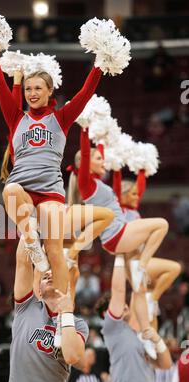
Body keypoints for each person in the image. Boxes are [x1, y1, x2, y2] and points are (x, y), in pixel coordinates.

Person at [0, 44, 103, 294]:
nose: (32, 93)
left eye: (38, 88)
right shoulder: (16, 118)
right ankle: (31, 244)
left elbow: (85, 92)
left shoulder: (61, 118)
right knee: (10, 190)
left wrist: (100, 63)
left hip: (50, 191)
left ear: (50, 91)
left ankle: (61, 309)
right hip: (23, 188)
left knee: (55, 250)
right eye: (28, 88)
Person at [76, 128, 169, 336]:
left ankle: (145, 331)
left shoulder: (100, 183)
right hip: (118, 234)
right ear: (86, 163)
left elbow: (112, 173)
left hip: (117, 236)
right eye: (98, 158)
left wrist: (101, 139)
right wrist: (85, 130)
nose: (103, 161)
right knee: (162, 225)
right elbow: (85, 153)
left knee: (138, 289)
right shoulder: (87, 184)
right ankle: (143, 266)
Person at [8, 237, 89, 382]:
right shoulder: (26, 307)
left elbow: (73, 356)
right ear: (38, 289)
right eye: (44, 276)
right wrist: (30, 222)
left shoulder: (78, 324)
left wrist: (67, 312)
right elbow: (23, 262)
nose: (50, 275)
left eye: (55, 272)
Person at [98, 254, 172, 382]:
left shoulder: (136, 334)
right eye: (118, 304)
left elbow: (166, 365)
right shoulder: (113, 329)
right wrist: (121, 256)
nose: (124, 304)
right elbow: (119, 290)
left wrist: (157, 340)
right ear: (108, 314)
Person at [113, 169, 181, 325]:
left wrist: (142, 169)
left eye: (137, 194)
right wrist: (116, 169)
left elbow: (141, 187)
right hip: (132, 260)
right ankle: (153, 298)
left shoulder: (133, 210)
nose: (137, 197)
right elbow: (116, 187)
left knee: (147, 317)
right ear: (122, 195)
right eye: (133, 194)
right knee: (173, 268)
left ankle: (152, 300)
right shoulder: (118, 209)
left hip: (139, 258)